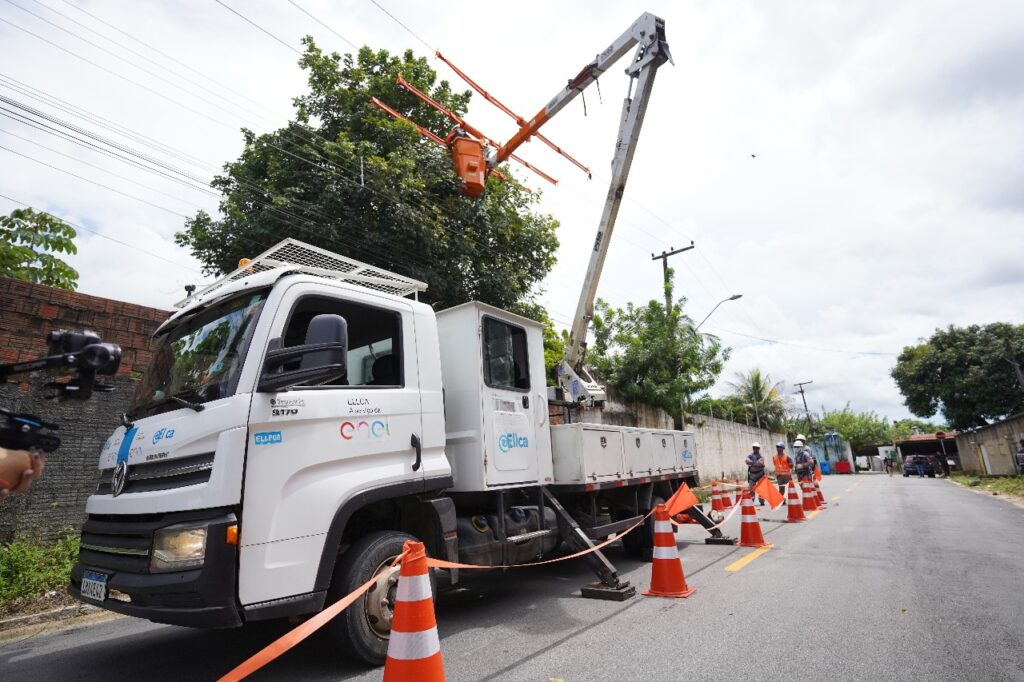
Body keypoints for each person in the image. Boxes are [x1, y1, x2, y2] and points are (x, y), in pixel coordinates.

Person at [745, 442, 767, 506]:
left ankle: (762, 501)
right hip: (752, 475)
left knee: (762, 489)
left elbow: (760, 463)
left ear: (759, 448)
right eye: (754, 448)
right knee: (751, 489)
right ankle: (751, 501)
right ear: (753, 448)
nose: (755, 449)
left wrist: (752, 463)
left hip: (760, 474)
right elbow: (746, 461)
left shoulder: (761, 456)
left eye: (757, 448)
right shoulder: (750, 455)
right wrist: (756, 463)